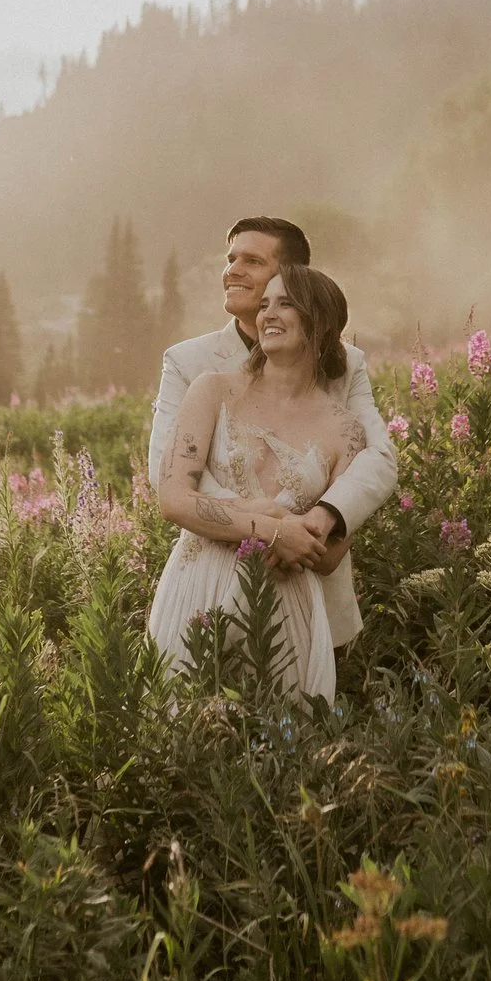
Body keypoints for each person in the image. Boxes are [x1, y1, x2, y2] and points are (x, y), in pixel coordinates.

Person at [148, 265, 372, 697]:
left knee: (284, 745)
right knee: (184, 734)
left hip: (288, 601)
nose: (268, 313)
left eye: (285, 303)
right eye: (265, 303)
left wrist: (301, 536)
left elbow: (328, 557)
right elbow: (173, 499)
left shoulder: (347, 431)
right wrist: (271, 530)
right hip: (199, 586)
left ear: (320, 322)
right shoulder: (212, 390)